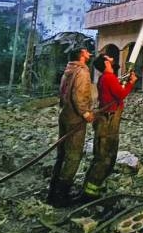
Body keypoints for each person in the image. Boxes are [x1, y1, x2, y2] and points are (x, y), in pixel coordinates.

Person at [81, 51, 137, 201]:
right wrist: (131, 83)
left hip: (107, 119)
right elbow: (121, 94)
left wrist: (124, 79)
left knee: (102, 155)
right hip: (109, 121)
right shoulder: (109, 77)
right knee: (105, 156)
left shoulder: (105, 78)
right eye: (109, 58)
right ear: (106, 63)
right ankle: (90, 193)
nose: (112, 59)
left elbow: (114, 89)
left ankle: (92, 187)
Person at [47, 46, 95, 207]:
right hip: (75, 118)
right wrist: (85, 113)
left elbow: (63, 93)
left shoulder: (68, 70)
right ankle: (61, 195)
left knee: (62, 154)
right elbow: (79, 95)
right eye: (86, 51)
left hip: (64, 115)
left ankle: (53, 190)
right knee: (73, 156)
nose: (89, 53)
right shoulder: (82, 72)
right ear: (81, 54)